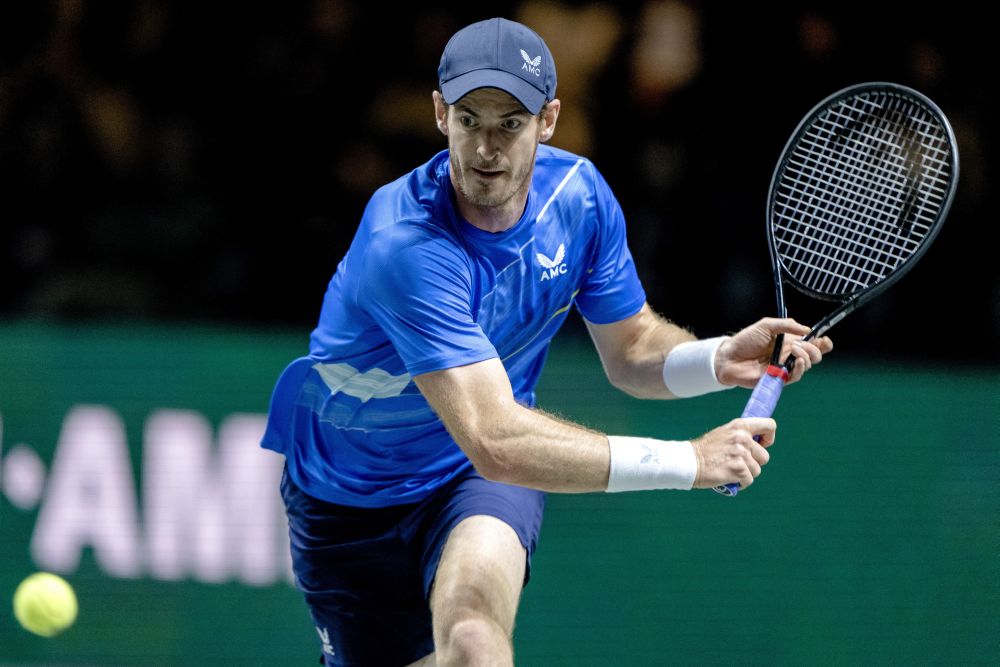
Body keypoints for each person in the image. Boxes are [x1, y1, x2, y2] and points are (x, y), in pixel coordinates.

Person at [261, 16, 832, 667]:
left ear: (549, 119)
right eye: (470, 119)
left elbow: (632, 347)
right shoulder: (406, 244)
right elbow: (499, 438)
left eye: (511, 122)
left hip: (466, 478)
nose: (487, 147)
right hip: (348, 500)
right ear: (439, 114)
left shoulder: (580, 199)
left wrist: (718, 357)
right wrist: (691, 461)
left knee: (476, 641)